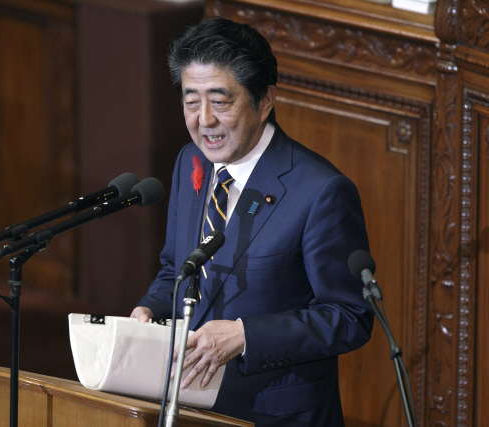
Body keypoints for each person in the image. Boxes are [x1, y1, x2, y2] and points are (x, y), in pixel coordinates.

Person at [130, 17, 374, 426]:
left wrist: (246, 335)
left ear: (264, 101)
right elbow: (177, 267)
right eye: (191, 101)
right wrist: (150, 310)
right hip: (186, 405)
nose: (203, 119)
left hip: (274, 414)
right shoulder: (189, 162)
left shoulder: (320, 191)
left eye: (220, 101)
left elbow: (350, 315)